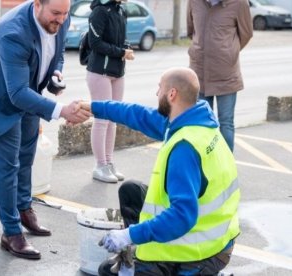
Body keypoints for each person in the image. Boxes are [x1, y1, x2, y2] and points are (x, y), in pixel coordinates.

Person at [81, 67, 240, 275]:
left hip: (200, 253)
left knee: (108, 272)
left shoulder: (185, 147)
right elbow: (137, 115)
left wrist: (130, 235)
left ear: (172, 94)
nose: (157, 94)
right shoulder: (196, 122)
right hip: (218, 236)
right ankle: (136, 254)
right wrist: (93, 107)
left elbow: (182, 216)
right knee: (131, 190)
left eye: (159, 89)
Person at [0, 0, 90, 260]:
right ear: (37, 5)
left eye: (65, 13)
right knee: (7, 166)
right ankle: (10, 233)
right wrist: (61, 110)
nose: (61, 19)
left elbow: (56, 52)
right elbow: (16, 93)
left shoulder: (60, 17)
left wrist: (56, 72)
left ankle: (24, 209)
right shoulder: (13, 32)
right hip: (1, 98)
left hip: (29, 91)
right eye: (55, 14)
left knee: (27, 155)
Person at [187, 0, 253, 152]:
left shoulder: (239, 3)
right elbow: (191, 30)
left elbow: (246, 33)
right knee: (202, 122)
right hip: (199, 72)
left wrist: (229, 51)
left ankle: (226, 168)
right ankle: (205, 164)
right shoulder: (194, 2)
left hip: (226, 73)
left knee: (226, 122)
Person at [86, 0, 135, 183]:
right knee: (102, 120)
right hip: (100, 72)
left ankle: (109, 162)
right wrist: (121, 53)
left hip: (118, 72)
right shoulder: (99, 11)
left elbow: (121, 39)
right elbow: (95, 43)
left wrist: (126, 48)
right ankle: (100, 165)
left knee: (113, 119)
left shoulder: (120, 10)